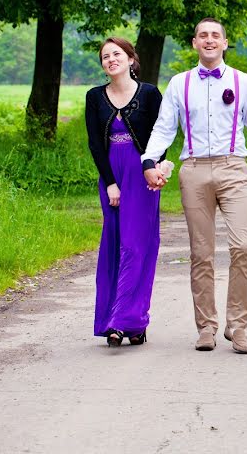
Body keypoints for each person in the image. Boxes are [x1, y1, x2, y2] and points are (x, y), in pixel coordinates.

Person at [141, 18, 247, 354]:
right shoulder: (178, 84)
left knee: (243, 247)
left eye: (216, 35)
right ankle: (206, 327)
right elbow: (164, 128)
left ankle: (238, 326)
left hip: (234, 168)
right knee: (201, 254)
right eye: (203, 36)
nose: (210, 40)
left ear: (225, 43)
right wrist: (148, 160)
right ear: (194, 43)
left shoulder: (244, 82)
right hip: (194, 169)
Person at [85, 37, 163, 347]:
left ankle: (130, 320)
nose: (111, 59)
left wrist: (155, 167)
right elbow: (94, 143)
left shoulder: (149, 94)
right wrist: (110, 183)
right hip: (112, 175)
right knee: (113, 244)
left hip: (141, 173)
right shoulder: (95, 97)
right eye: (105, 56)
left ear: (131, 59)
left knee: (137, 245)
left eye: (117, 54)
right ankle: (111, 321)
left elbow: (162, 133)